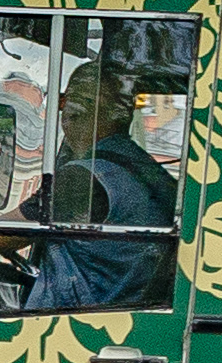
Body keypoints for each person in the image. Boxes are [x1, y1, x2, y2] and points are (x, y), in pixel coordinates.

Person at [13, 63, 176, 309]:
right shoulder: (144, 167)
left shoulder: (84, 177)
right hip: (125, 311)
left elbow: (0, 237)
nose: (64, 111)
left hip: (78, 320)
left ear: (76, 110)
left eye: (66, 101)